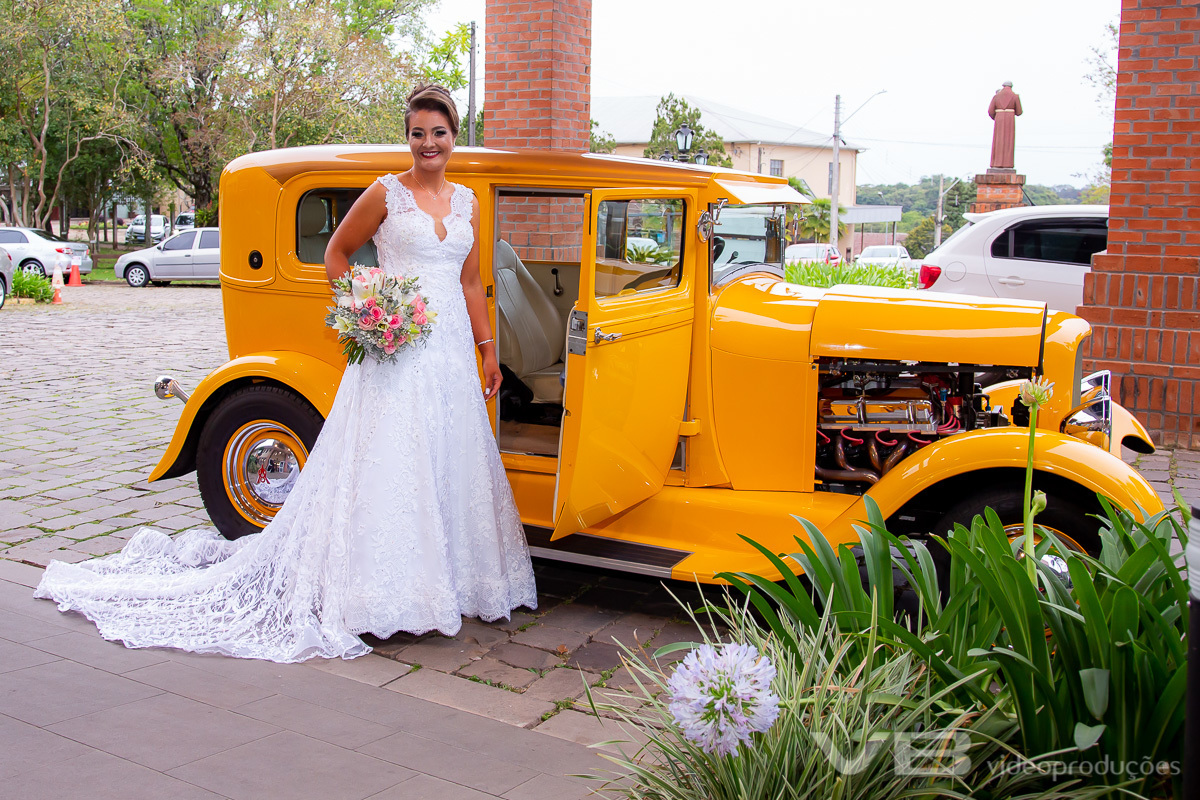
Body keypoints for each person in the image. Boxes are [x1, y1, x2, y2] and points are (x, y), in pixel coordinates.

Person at [33, 83, 538, 663]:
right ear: (408, 138)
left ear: (454, 136)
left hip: (449, 351)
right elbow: (337, 254)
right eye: (418, 133)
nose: (429, 143)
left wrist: (486, 347)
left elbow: (471, 282)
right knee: (396, 461)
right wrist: (365, 310)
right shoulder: (385, 194)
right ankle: (384, 593)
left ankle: (451, 582)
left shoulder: (469, 201)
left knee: (447, 458)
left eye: (439, 132)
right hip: (396, 348)